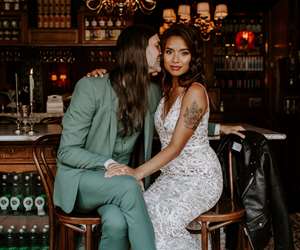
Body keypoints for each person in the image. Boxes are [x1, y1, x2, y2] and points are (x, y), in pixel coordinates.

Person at [105, 24, 224, 250]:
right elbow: (126, 78)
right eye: (169, 51)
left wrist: (136, 172)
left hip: (199, 178)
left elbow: (176, 146)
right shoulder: (165, 88)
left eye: (184, 52)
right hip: (171, 177)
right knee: (139, 217)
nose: (176, 59)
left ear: (193, 57)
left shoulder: (195, 91)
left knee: (163, 222)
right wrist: (101, 74)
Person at [53, 24, 162, 250]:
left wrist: (218, 128)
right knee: (130, 186)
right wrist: (108, 163)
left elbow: (176, 124)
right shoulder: (90, 87)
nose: (162, 52)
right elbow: (67, 151)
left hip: (117, 184)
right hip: (82, 181)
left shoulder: (151, 92)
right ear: (139, 51)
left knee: (117, 223)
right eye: (157, 46)